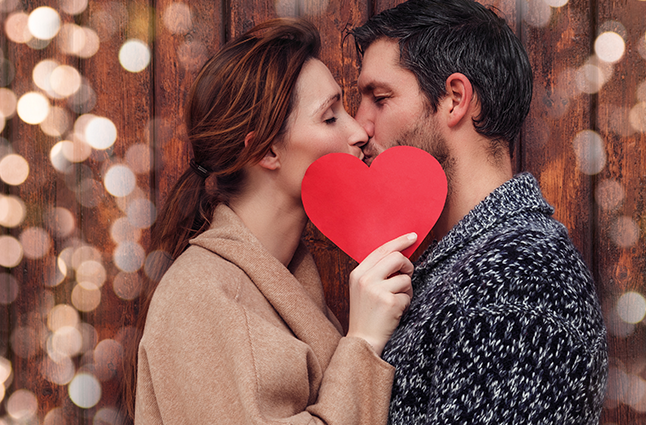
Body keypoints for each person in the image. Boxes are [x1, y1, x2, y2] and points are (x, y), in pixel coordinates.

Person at [124, 18, 416, 424]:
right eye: (330, 117)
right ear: (267, 151)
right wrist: (363, 343)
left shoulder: (288, 279)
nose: (358, 132)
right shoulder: (199, 296)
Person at [351, 0, 608, 423]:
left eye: (379, 98)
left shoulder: (520, 279)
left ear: (454, 99)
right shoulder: (473, 265)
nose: (360, 126)